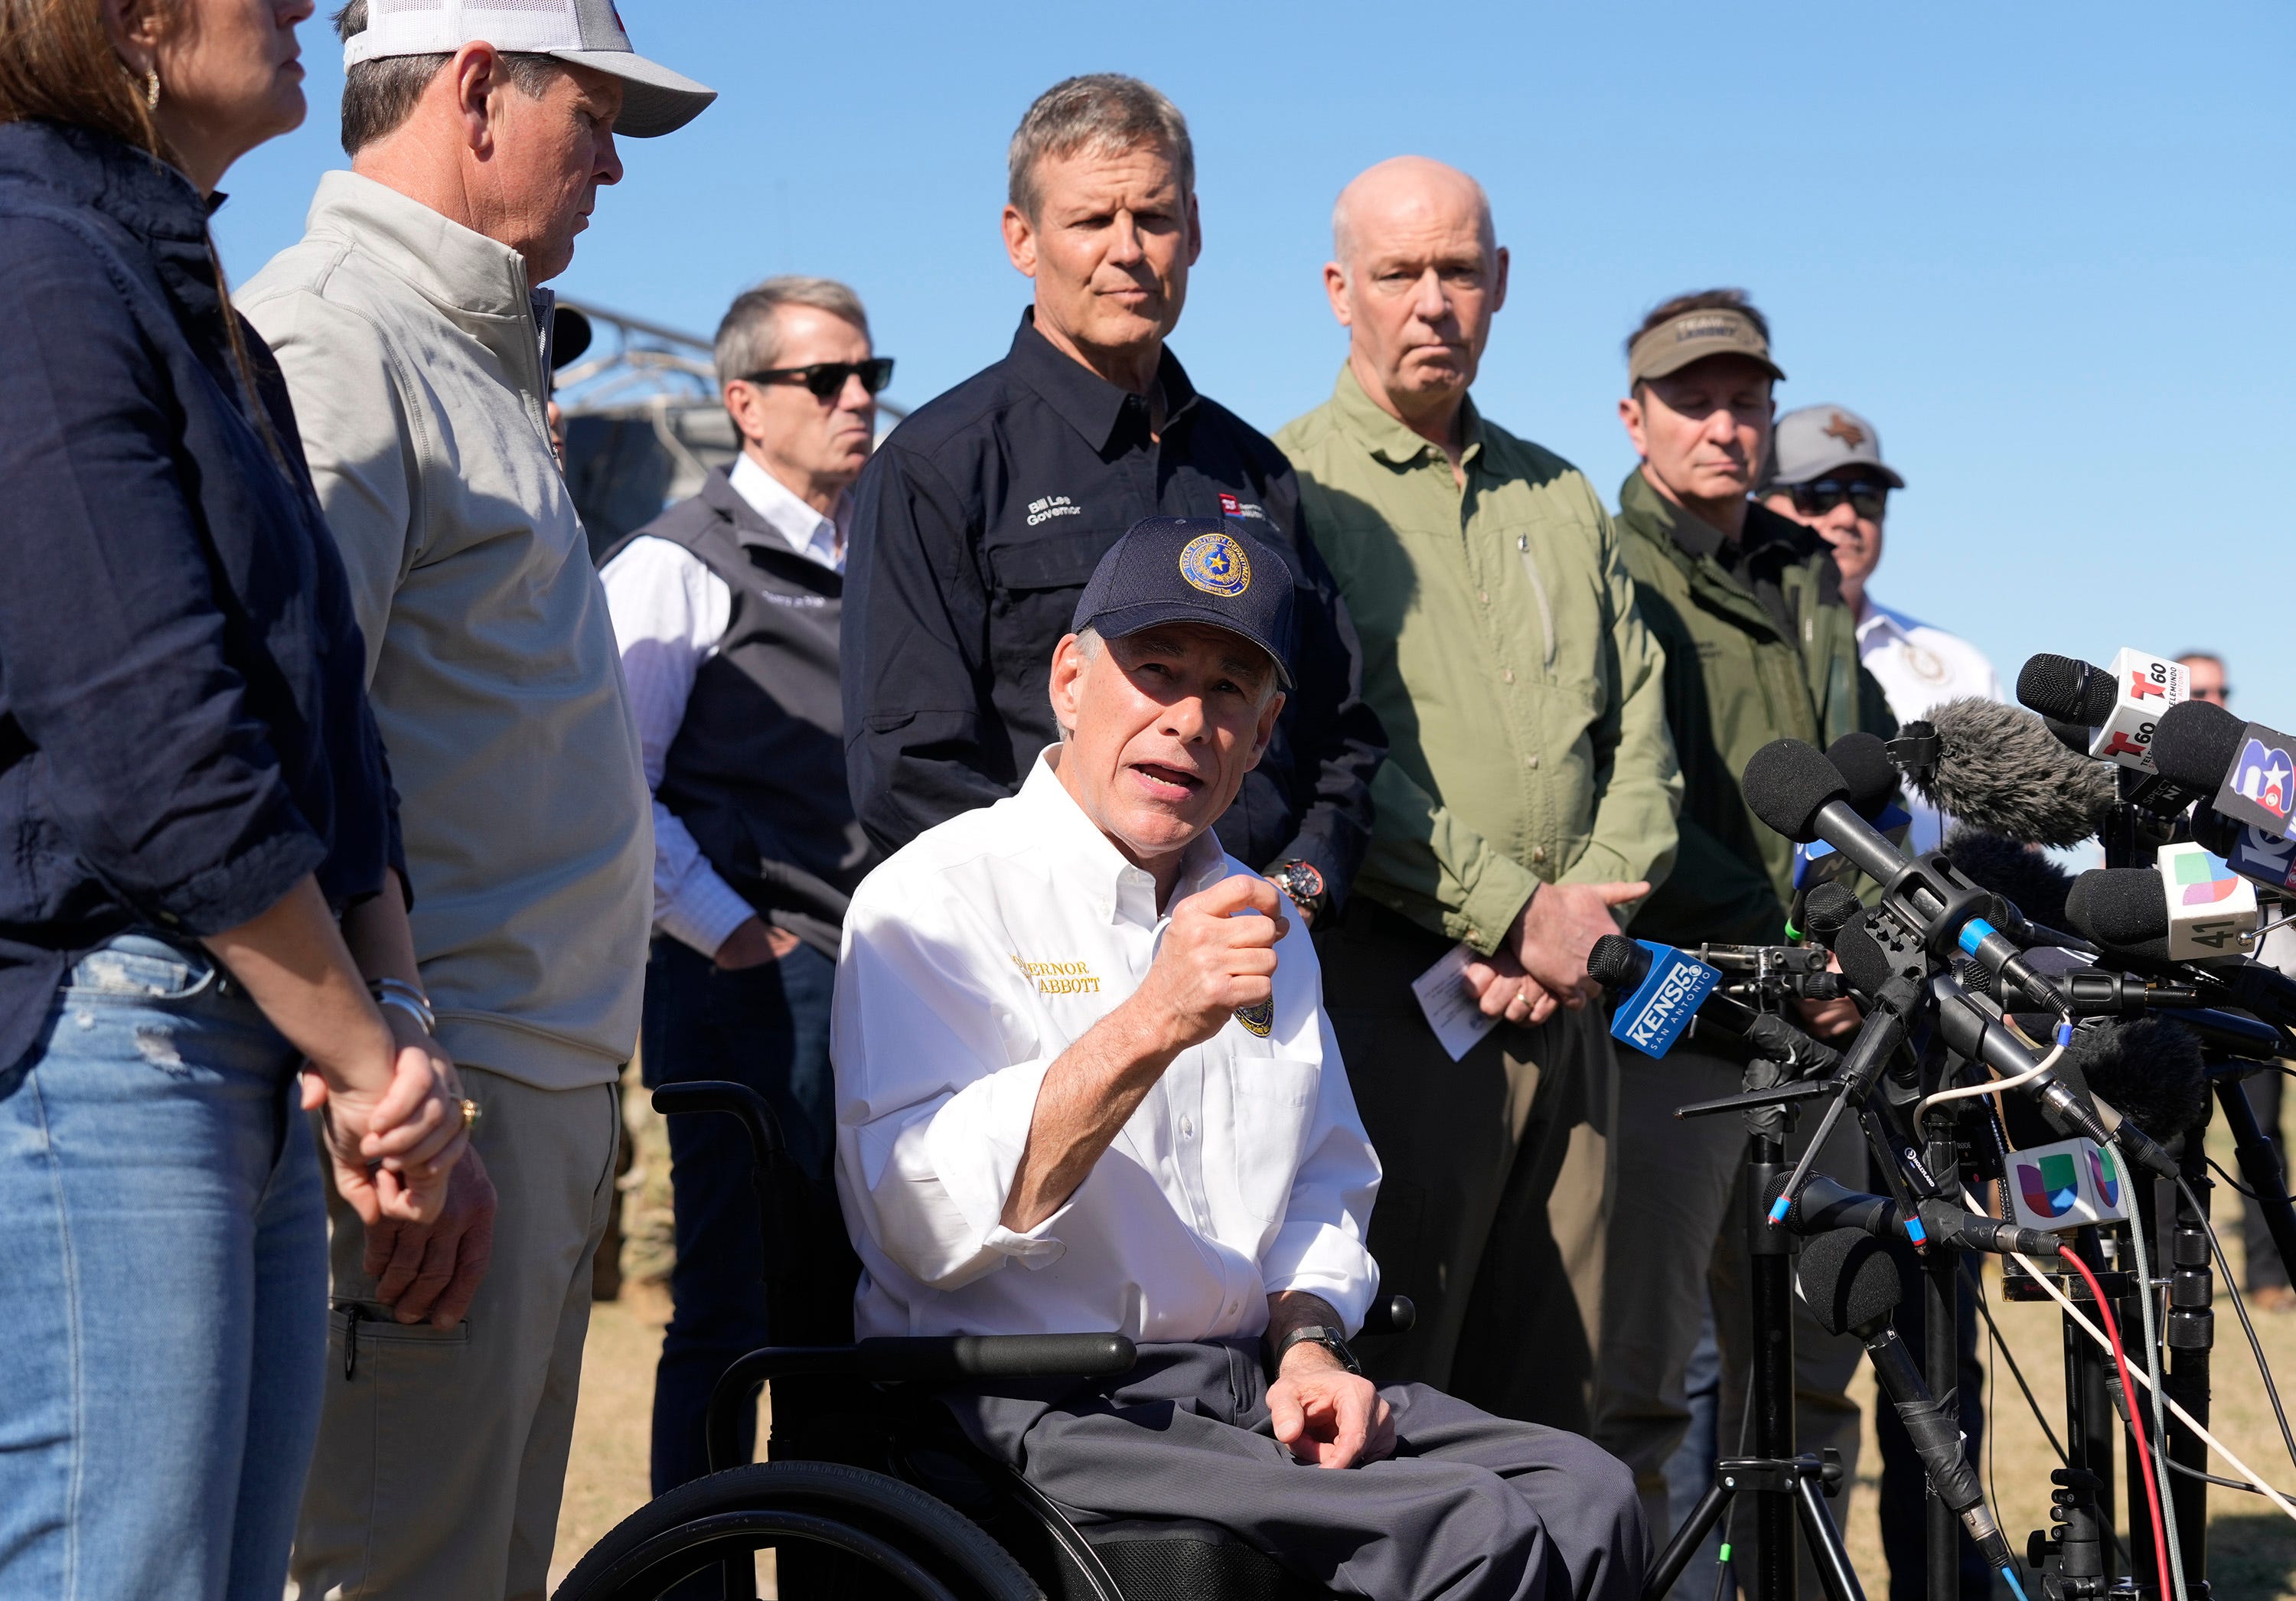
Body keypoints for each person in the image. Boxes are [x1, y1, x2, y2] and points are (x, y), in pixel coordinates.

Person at [833, 515, 1648, 1601]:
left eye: (1229, 692)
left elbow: (1324, 1181)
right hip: (1030, 1406)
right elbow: (920, 1223)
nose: (1187, 721)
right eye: (1154, 671)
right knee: (1462, 1531)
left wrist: (1311, 1345)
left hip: (1233, 1390)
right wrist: (1153, 1017)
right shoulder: (937, 897)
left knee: (1586, 1493)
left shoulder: (1267, 924)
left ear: (1262, 741)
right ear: (1070, 681)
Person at [238, 3, 713, 1596]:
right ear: (477, 89)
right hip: (442, 1104)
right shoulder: (339, 338)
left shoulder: (452, 349)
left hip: (513, 1079)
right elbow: (284, 754)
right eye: (597, 120)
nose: (611, 172)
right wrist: (384, 1080)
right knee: (400, 1569)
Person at [0, 1, 470, 1594]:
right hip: (115, 1052)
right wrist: (365, 1047)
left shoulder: (190, 300)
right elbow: (146, 735)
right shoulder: (33, 269)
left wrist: (390, 1014)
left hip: (249, 1051)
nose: (294, 6)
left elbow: (327, 715)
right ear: (125, 16)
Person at [1274, 157, 1681, 1414]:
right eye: (1400, 274)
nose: (1433, 301)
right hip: (1394, 1007)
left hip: (1576, 1009)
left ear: (1502, 284)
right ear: (1342, 291)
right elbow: (1316, 751)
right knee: (1396, 1393)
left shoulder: (1559, 497)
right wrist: (1511, 912)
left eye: (1460, 270)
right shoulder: (1287, 488)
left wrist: (1578, 927)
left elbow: (1645, 739)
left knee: (1571, 1408)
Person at [843, 73, 1384, 929]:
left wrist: (1295, 895)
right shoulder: (937, 467)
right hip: (1047, 972)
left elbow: (1342, 736)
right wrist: (1110, 928)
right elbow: (908, 770)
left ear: (1195, 232)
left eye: (1155, 218)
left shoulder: (1258, 474)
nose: (1128, 250)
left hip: (1260, 962)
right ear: (1021, 239)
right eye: (1093, 220)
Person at [1604, 290, 1893, 1573]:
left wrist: (1850, 932)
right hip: (1676, 1002)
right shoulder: (1602, 559)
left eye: (1744, 401)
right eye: (1693, 401)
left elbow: (1856, 776)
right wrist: (1789, 943)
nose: (1724, 426)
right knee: (1650, 1381)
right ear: (1636, 416)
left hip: (1830, 1010)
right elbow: (1638, 797)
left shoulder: (1801, 572)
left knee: (1823, 1361)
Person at [601, 276, 886, 1496]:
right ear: (744, 405)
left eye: (871, 373)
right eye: (825, 379)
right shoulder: (676, 563)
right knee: (727, 1321)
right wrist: (726, 933)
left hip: (872, 986)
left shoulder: (881, 559)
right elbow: (611, 784)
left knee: (840, 1323)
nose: (859, 399)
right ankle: (691, 1581)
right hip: (747, 991)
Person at [1761, 403, 2003, 854]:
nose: (1847, 517)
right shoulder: (1735, 651)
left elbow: (2012, 830)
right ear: (1758, 505)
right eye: (1819, 494)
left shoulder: (1960, 664)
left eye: (1867, 496)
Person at [2176, 652, 2295, 1309]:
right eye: (2200, 691)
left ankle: (2270, 1276)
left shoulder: (2266, 783)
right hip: (2167, 990)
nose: (2215, 700)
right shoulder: (2142, 787)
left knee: (2264, 1140)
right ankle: (2164, 1272)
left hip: (2257, 988)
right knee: (2164, 1134)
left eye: (2222, 690)